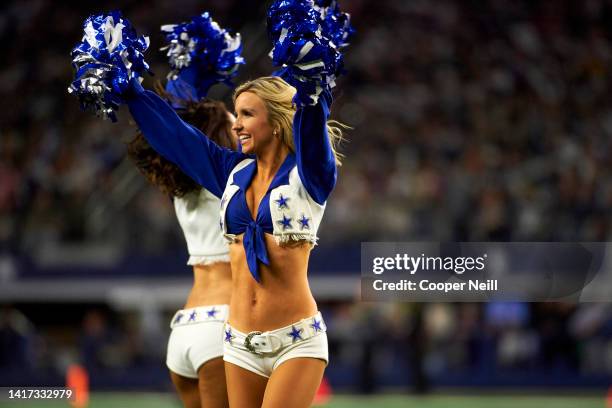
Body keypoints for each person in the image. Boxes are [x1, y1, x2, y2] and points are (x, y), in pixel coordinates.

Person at [126, 74, 344, 408]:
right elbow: (175, 137)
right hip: (237, 342)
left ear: (275, 121)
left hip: (296, 340)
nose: (237, 126)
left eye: (247, 115)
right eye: (236, 114)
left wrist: (312, 82)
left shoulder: (309, 175)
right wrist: (132, 93)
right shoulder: (232, 172)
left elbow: (313, 126)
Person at [126, 85, 236, 408]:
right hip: (224, 326)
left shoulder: (180, 188)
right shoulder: (236, 178)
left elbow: (172, 128)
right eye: (234, 123)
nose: (241, 129)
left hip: (185, 328)